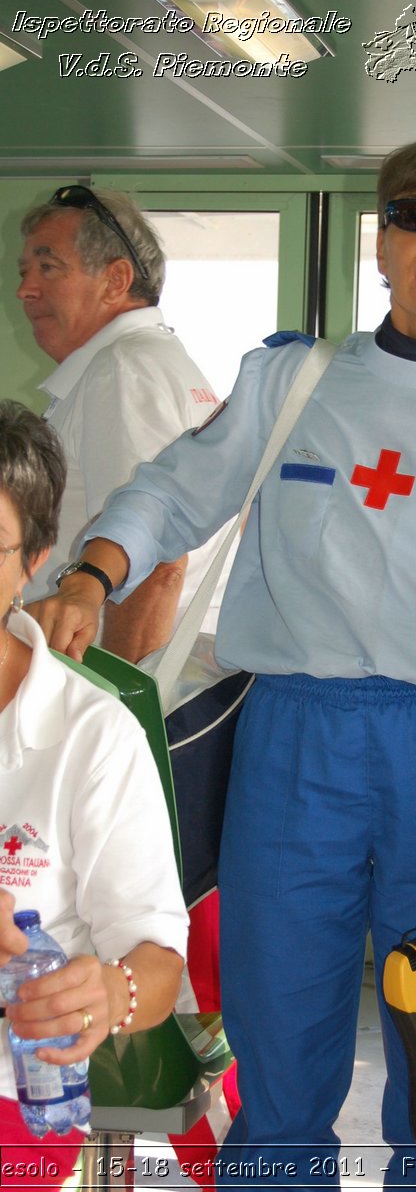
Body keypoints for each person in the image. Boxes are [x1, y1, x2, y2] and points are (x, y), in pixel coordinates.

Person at [30, 136, 416, 1188]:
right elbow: (174, 489)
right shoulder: (290, 381)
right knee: (280, 1058)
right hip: (292, 743)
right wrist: (93, 573)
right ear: (382, 241)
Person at [0, 401, 188, 1186]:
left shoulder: (92, 735)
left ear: (35, 557)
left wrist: (113, 990)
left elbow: (157, 958)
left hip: (16, 1098)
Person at [17, 185, 226, 664]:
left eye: (48, 267)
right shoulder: (152, 363)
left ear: (116, 280)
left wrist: (124, 711)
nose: (25, 289)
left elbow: (157, 561)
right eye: (25, 271)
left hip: (120, 678)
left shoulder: (123, 372)